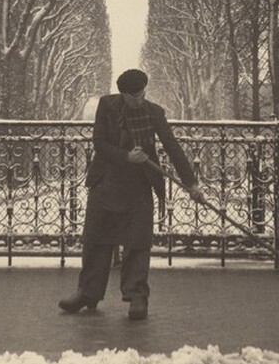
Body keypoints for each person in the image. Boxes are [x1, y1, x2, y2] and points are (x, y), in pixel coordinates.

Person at [58, 68, 205, 320]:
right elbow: (99, 143)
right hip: (106, 182)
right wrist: (126, 156)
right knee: (96, 240)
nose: (139, 99)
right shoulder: (107, 106)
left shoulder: (154, 112)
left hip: (139, 186)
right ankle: (87, 293)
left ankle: (137, 297)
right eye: (133, 95)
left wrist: (191, 184)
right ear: (123, 94)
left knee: (137, 243)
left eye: (142, 93)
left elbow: (172, 146)